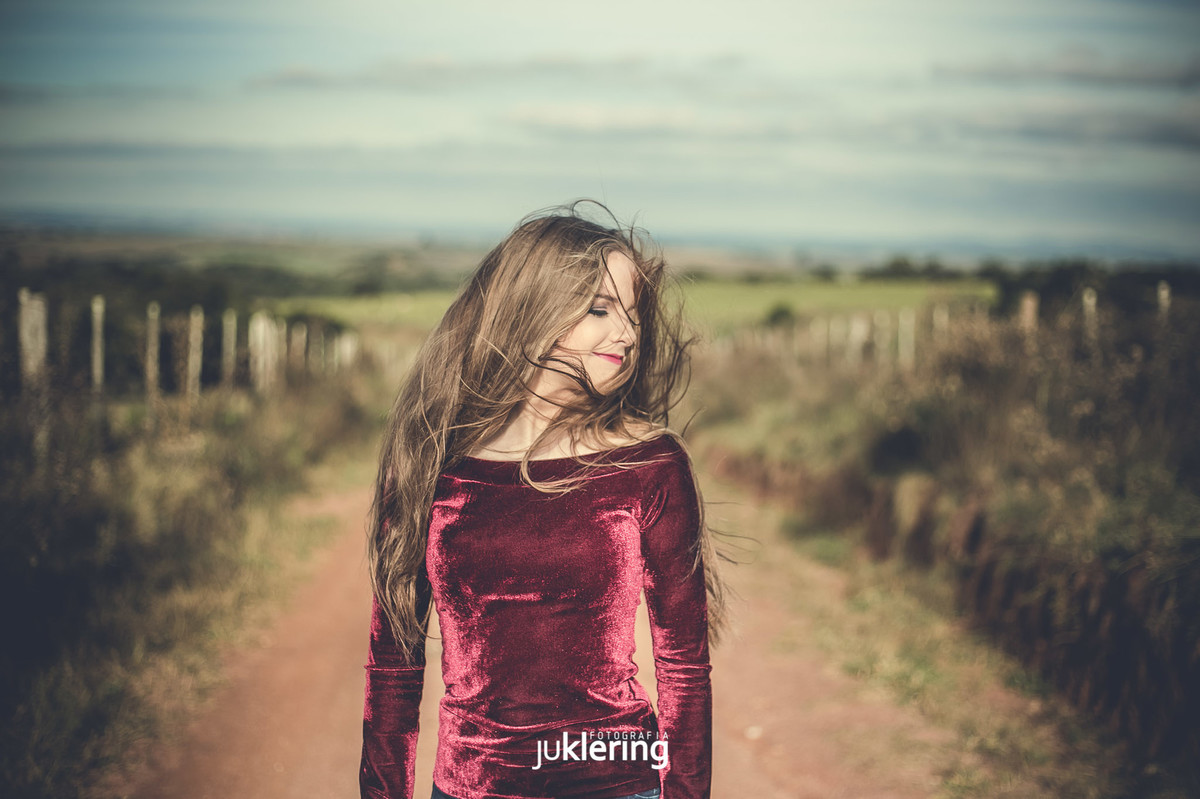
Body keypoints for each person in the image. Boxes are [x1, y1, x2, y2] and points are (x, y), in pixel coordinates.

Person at [359, 201, 729, 799]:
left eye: (632, 313)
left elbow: (684, 668)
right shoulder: (429, 463)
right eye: (600, 309)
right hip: (470, 787)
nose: (627, 333)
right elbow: (392, 669)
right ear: (534, 307)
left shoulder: (650, 464)